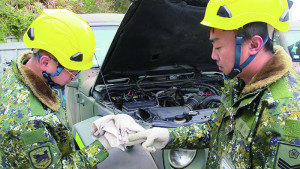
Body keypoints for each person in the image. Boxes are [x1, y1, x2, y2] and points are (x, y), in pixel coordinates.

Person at [127, 0, 300, 168]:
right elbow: (217, 129)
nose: (213, 56)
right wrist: (169, 136)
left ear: (254, 44)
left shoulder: (287, 114)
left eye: (218, 47)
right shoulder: (239, 83)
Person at [0, 9, 131, 168]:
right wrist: (102, 144)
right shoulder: (30, 124)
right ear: (45, 63)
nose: (75, 77)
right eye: (72, 71)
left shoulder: (21, 69)